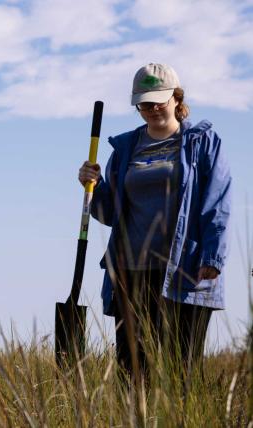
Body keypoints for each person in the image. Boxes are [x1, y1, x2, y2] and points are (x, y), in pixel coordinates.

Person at [78, 63, 231, 382]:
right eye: (144, 103)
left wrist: (212, 257)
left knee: (181, 372)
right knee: (132, 373)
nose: (151, 108)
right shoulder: (125, 148)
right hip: (131, 272)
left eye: (158, 100)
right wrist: (94, 186)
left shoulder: (203, 142)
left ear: (176, 97)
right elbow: (110, 214)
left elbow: (217, 202)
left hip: (185, 270)